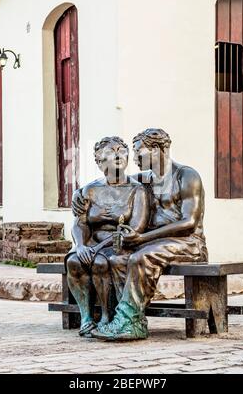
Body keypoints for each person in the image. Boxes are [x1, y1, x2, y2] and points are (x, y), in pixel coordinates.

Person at [74, 128, 208, 341]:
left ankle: (129, 321)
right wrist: (78, 194)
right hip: (154, 242)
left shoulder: (186, 175)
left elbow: (189, 222)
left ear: (158, 149)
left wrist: (143, 238)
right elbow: (109, 180)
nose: (133, 157)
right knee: (118, 258)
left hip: (188, 243)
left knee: (139, 257)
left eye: (138, 152)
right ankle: (128, 319)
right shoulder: (145, 178)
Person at [66, 136, 149, 337]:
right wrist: (80, 246)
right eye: (111, 152)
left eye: (122, 150)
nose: (118, 155)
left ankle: (106, 316)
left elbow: (136, 226)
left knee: (100, 264)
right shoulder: (90, 190)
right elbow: (80, 223)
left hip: (120, 245)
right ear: (99, 161)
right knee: (75, 262)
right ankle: (86, 317)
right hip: (91, 244)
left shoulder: (136, 190)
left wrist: (101, 245)